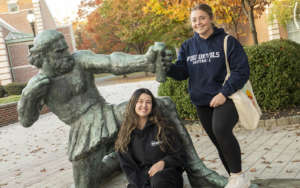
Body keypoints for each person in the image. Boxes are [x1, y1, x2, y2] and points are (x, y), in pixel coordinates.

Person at [17, 30, 169, 188]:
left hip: (108, 114)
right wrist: (27, 98)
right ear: (43, 55)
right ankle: (118, 160)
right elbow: (26, 121)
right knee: (84, 184)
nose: (67, 54)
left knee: (162, 105)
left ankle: (192, 166)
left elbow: (112, 62)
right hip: (82, 132)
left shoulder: (79, 60)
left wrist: (146, 60)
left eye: (66, 48)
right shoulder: (39, 84)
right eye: (59, 51)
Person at [163, 4, 251, 188]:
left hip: (227, 97)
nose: (198, 23)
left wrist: (223, 93)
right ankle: (235, 179)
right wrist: (167, 68)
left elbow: (241, 71)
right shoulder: (187, 46)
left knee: (221, 130)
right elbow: (182, 72)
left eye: (202, 18)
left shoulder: (227, 41)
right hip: (201, 102)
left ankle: (239, 176)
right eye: (194, 20)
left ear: (210, 18)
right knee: (219, 143)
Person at [115, 88, 187, 188]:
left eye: (148, 102)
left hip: (166, 176)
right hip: (142, 180)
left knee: (158, 180)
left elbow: (181, 156)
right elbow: (129, 168)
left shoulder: (164, 127)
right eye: (140, 101)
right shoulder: (125, 134)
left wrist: (163, 163)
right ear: (133, 104)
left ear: (152, 106)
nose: (144, 105)